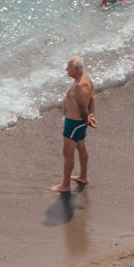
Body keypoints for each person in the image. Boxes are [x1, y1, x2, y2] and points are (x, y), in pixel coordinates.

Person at [58, 56, 95, 193]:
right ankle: (83, 176)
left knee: (68, 153)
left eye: (69, 67)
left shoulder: (80, 86)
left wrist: (87, 118)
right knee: (80, 146)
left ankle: (65, 185)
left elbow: (82, 107)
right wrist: (91, 115)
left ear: (77, 69)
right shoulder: (85, 79)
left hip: (74, 123)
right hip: (76, 123)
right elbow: (92, 99)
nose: (66, 69)